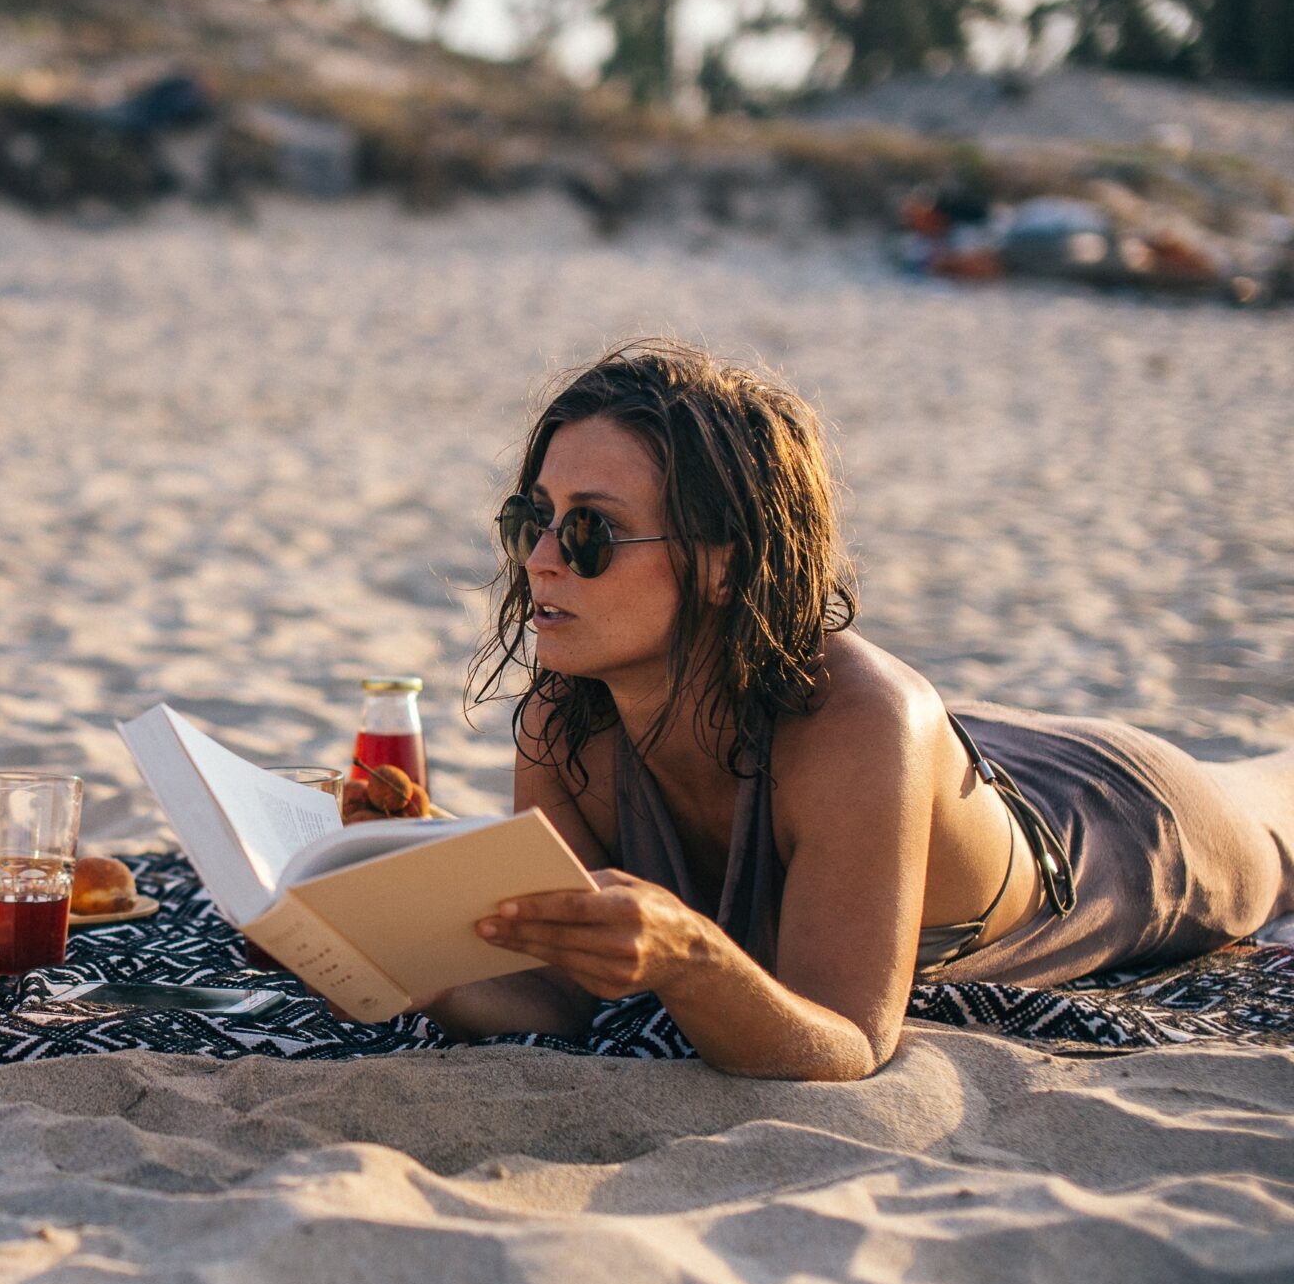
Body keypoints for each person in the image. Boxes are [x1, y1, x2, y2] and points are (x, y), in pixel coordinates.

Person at [439, 340, 1294, 1081]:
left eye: (590, 533)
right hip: (940, 758)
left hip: (1126, 827)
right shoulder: (567, 725)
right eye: (531, 520)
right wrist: (365, 945)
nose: (541, 561)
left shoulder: (855, 727)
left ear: (724, 566)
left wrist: (688, 956)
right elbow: (556, 999)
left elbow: (846, 1041)